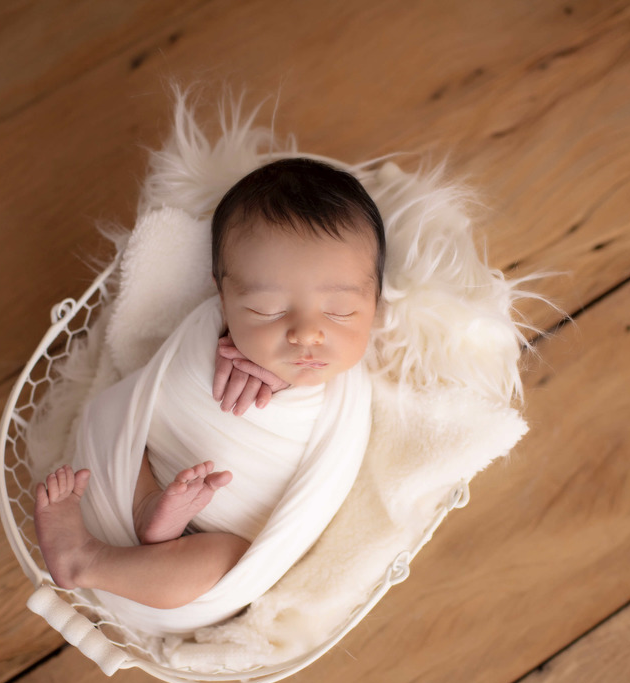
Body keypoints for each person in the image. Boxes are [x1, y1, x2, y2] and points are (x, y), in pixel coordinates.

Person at [33, 157, 385, 611]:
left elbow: (319, 468)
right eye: (267, 310)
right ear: (222, 297)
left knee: (227, 558)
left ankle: (90, 560)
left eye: (338, 311)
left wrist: (282, 388)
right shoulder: (211, 332)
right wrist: (220, 342)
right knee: (113, 417)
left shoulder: (349, 396)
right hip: (122, 488)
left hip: (214, 546)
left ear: (375, 300)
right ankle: (147, 510)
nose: (305, 333)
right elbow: (161, 386)